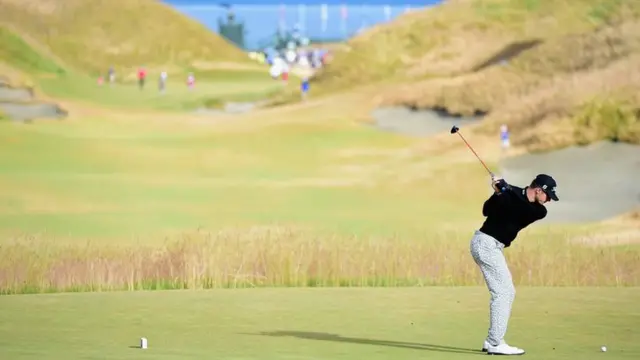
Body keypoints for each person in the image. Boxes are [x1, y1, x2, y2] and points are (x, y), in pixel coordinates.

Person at [471, 174, 559, 355]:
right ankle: (495, 342)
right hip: (485, 243)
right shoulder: (509, 193)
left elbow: (519, 209)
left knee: (505, 292)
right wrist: (497, 193)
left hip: (491, 246)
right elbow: (486, 210)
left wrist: (505, 191)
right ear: (538, 190)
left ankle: (492, 341)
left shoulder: (539, 211)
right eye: (548, 196)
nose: (549, 200)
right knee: (504, 292)